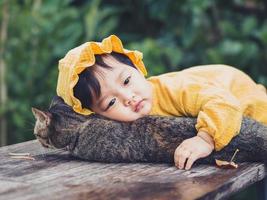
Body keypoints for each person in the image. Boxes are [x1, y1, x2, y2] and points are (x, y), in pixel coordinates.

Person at [56, 35, 267, 170]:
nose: (128, 98)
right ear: (99, 115)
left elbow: (224, 103)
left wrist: (205, 139)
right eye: (111, 102)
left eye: (127, 80)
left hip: (247, 99)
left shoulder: (174, 89)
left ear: (139, 68)